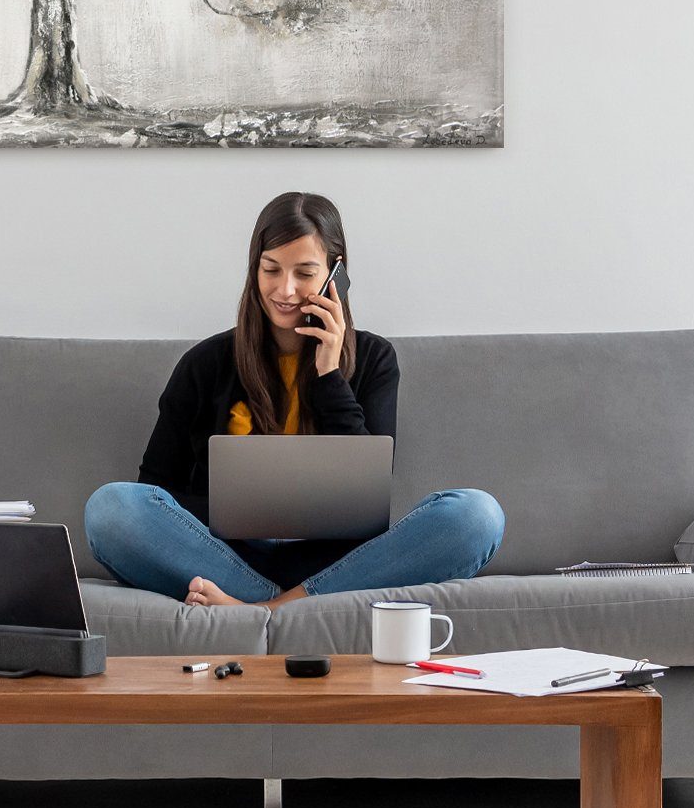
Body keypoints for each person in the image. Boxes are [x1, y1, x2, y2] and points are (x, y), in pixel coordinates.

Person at [84, 191, 503, 608]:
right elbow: (155, 493)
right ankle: (296, 609)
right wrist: (238, 511)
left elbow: (367, 488)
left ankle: (265, 611)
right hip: (225, 558)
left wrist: (329, 373)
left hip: (342, 565)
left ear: (335, 275)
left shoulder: (375, 359)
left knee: (476, 516)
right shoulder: (204, 365)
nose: (285, 290)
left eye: (304, 273)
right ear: (255, 268)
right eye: (271, 270)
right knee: (111, 508)